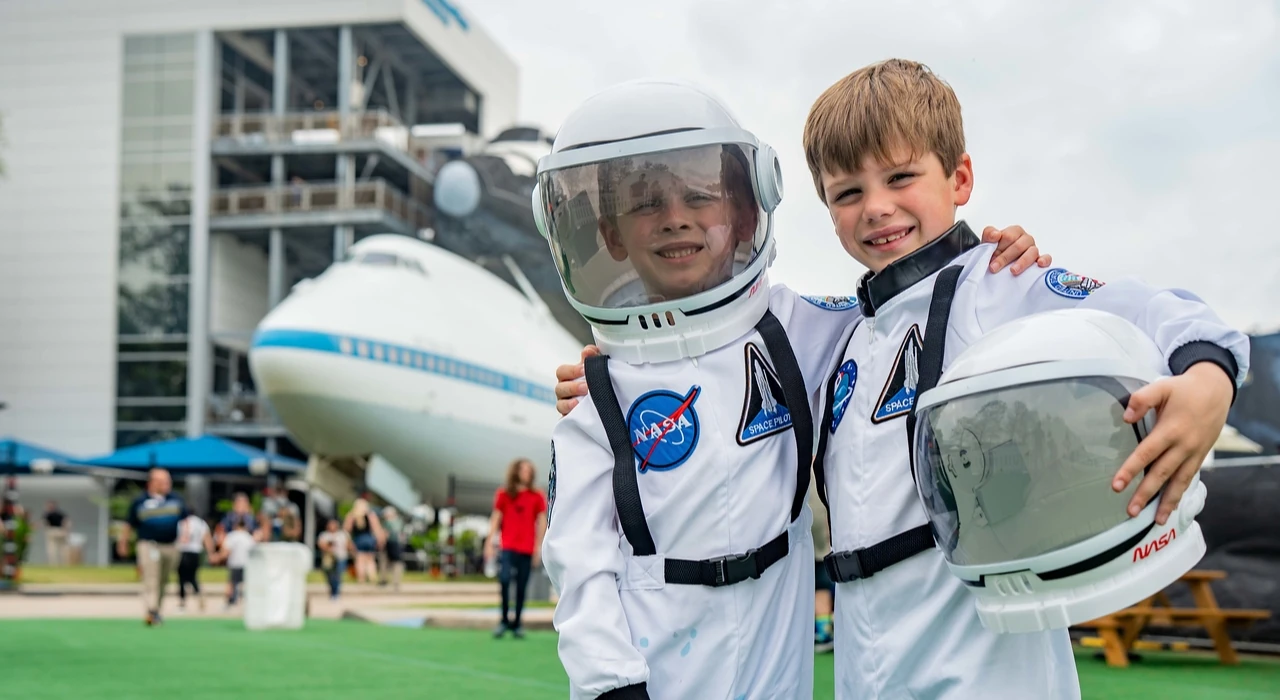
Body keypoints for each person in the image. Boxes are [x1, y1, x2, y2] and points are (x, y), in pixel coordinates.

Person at [536, 80, 1048, 700]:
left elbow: (903, 309)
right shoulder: (598, 397)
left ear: (746, 210)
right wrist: (612, 685)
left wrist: (988, 259)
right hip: (658, 670)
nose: (675, 216)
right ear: (609, 235)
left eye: (700, 194)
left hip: (776, 667)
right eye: (646, 204)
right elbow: (579, 562)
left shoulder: (802, 329)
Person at [797, 59, 1247, 699]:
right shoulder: (843, 334)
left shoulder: (999, 283)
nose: (876, 207)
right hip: (864, 660)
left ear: (959, 178)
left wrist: (1209, 382)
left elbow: (1158, 312)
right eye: (847, 193)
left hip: (986, 661)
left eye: (901, 177)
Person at [485, 458, 547, 640]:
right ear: (515, 472)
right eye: (523, 469)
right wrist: (489, 541)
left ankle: (517, 623)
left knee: (522, 585)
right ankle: (504, 620)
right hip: (508, 546)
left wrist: (538, 546)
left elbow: (542, 520)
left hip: (527, 548)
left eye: (529, 470)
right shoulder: (504, 493)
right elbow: (496, 517)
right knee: (504, 580)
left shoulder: (537, 495)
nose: (526, 473)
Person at [117, 468, 188, 626]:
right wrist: (123, 543)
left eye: (168, 481)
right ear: (152, 483)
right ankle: (151, 609)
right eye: (163, 481)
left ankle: (157, 610)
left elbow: (185, 519)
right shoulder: (140, 501)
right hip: (149, 544)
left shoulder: (175, 498)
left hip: (171, 545)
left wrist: (185, 535)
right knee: (151, 578)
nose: (167, 484)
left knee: (163, 579)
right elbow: (129, 525)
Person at [809, 484, 835, 654]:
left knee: (820, 586)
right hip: (820, 536)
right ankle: (824, 630)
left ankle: (823, 630)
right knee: (822, 586)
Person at [176, 512, 214, 612]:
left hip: (183, 550)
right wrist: (210, 553)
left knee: (181, 577)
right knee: (193, 576)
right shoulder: (201, 522)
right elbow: (207, 538)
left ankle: (182, 601)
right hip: (196, 552)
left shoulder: (181, 521)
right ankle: (198, 594)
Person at [215, 519, 255, 608]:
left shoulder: (232, 536)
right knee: (246, 583)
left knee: (231, 583)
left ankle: (229, 602)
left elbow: (226, 551)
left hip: (235, 563)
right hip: (246, 564)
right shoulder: (248, 537)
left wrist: (217, 558)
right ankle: (248, 601)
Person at [343, 498, 384, 584]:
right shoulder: (370, 515)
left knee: (359, 560)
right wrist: (379, 540)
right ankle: (372, 577)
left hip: (358, 539)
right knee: (370, 559)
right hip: (369, 539)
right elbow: (377, 528)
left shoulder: (351, 516)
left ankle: (361, 578)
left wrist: (348, 542)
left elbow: (346, 530)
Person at [317, 517, 350, 600]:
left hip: (340, 557)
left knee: (338, 575)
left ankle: (336, 593)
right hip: (329, 559)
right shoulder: (324, 535)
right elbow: (321, 545)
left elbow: (348, 545)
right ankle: (333, 591)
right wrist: (329, 546)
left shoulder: (342, 534)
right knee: (330, 576)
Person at [378, 506, 406, 591]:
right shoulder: (400, 522)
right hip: (398, 545)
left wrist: (381, 543)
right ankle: (396, 582)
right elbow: (402, 535)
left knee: (384, 561)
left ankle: (384, 580)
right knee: (397, 563)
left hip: (389, 544)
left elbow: (385, 533)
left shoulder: (388, 522)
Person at [42, 500, 69, 566]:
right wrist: (66, 530)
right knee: (62, 548)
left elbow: (45, 523)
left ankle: (54, 564)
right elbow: (66, 522)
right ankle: (63, 563)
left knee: (52, 548)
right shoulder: (61, 513)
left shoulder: (47, 514)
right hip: (61, 531)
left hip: (52, 531)